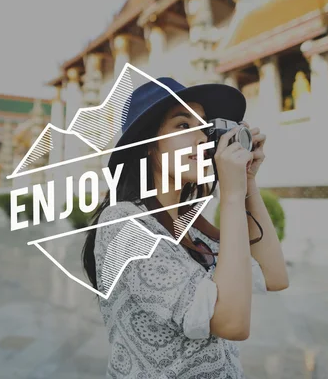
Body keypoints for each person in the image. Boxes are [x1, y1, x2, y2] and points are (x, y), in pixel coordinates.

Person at [81, 77, 289, 378]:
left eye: (204, 128)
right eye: (182, 126)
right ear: (149, 145)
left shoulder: (194, 229)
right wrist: (230, 195)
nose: (202, 139)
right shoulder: (122, 225)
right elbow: (231, 323)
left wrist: (248, 183)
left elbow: (275, 276)